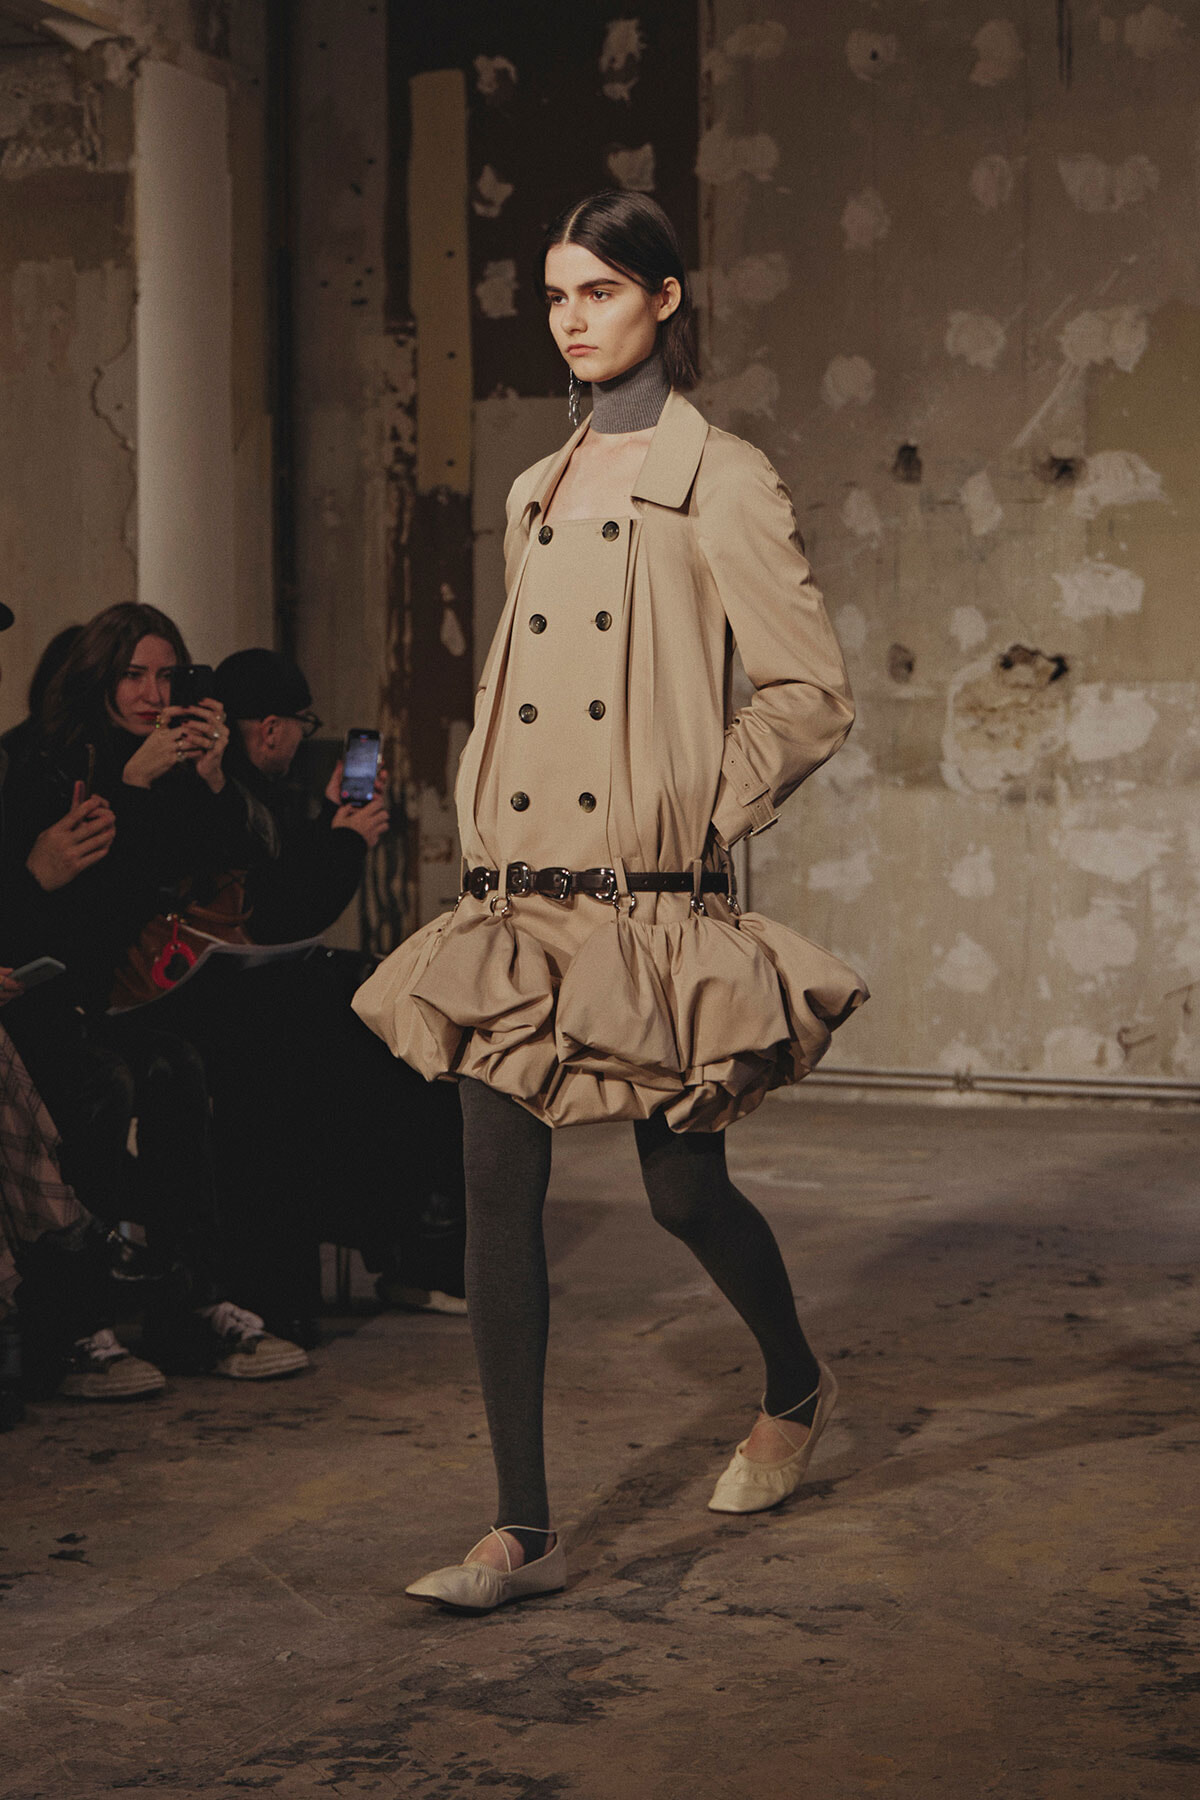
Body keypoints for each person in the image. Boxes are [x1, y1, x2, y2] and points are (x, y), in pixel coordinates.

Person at [354, 191, 868, 1611]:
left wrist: (698, 805)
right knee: (493, 1196)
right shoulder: (538, 484)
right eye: (556, 295)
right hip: (516, 900)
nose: (574, 317)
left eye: (599, 290)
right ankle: (524, 1530)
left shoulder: (725, 479)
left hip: (645, 906)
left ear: (666, 298)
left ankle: (796, 1381)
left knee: (681, 1192)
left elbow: (811, 693)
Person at [0, 605, 309, 1381]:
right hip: (37, 999)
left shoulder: (161, 763)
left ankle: (190, 1303)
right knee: (108, 1081)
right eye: (134, 674)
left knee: (184, 1066)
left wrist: (210, 778)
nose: (151, 691)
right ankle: (75, 1325)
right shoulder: (47, 763)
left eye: (166, 674)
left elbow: (239, 857)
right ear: (100, 676)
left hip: (101, 996)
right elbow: (71, 911)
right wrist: (122, 801)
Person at [213, 648, 467, 1321]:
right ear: (270, 728)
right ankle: (416, 1250)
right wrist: (347, 841)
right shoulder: (221, 791)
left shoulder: (248, 787)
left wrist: (332, 822)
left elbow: (280, 871)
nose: (301, 736)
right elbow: (281, 907)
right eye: (301, 722)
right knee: (400, 1045)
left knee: (401, 1021)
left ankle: (409, 1246)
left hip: (262, 991)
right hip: (237, 1003)